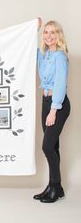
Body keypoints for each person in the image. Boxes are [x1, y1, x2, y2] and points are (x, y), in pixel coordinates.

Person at [33, 18, 70, 203]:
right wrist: (34, 29)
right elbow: (28, 51)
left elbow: (61, 86)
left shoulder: (60, 56)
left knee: (47, 146)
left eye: (52, 32)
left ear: (58, 35)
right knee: (53, 146)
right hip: (46, 101)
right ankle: (55, 187)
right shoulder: (45, 54)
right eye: (45, 32)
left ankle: (55, 187)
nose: (48, 36)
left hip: (58, 104)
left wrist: (53, 110)